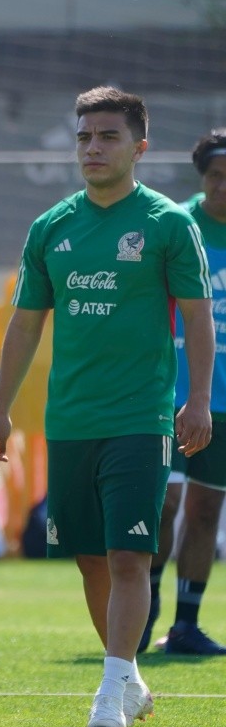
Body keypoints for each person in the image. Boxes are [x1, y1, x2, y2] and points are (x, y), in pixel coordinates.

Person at [0, 86, 214, 727]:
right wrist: (0, 410)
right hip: (70, 421)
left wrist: (196, 399)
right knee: (88, 558)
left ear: (139, 147)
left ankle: (109, 690)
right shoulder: (51, 228)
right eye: (84, 137)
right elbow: (25, 327)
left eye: (108, 136)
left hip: (141, 418)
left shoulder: (169, 224)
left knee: (128, 558)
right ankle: (129, 677)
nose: (92, 148)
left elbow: (197, 318)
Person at [139, 129, 226, 656]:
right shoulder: (175, 225)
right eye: (216, 177)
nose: (224, 187)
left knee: (206, 512)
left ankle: (186, 624)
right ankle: (141, 613)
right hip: (168, 394)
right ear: (203, 177)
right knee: (163, 502)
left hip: (225, 403)